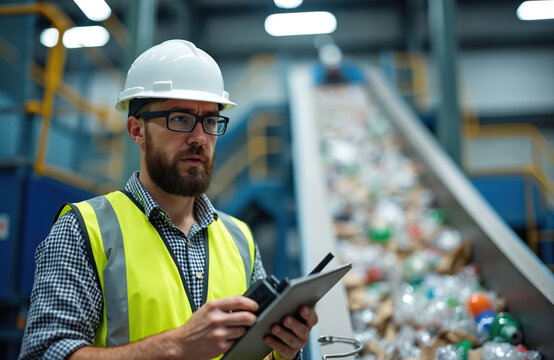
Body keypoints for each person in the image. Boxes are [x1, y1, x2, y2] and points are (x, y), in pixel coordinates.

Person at [19, 39, 317, 360]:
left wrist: (283, 351)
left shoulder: (240, 239)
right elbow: (44, 353)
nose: (200, 137)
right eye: (180, 119)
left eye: (211, 121)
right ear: (137, 130)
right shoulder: (84, 230)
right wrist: (177, 345)